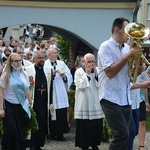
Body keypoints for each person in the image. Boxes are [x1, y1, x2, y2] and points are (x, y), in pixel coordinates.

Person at [98, 17, 150, 150]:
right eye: (127, 31)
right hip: (110, 97)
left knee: (130, 133)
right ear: (117, 30)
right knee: (121, 134)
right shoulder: (105, 47)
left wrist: (139, 67)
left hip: (125, 97)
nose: (129, 35)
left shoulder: (127, 47)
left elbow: (130, 76)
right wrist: (127, 57)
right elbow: (110, 72)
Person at [0, 53, 32, 150]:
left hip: (21, 105)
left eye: (19, 61)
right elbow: (1, 92)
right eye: (16, 61)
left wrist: (30, 103)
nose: (18, 63)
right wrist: (1, 108)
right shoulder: (6, 75)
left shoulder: (24, 74)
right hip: (9, 104)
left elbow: (27, 89)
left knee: (19, 129)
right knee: (11, 129)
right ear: (11, 62)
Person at [74, 53, 104, 150]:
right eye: (89, 62)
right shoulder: (79, 71)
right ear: (84, 62)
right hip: (84, 104)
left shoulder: (98, 70)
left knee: (95, 125)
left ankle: (94, 144)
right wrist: (87, 74)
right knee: (84, 126)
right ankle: (84, 145)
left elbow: (102, 85)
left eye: (93, 61)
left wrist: (96, 75)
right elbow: (81, 86)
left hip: (95, 103)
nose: (91, 64)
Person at [25, 51, 52, 150]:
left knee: (42, 123)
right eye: (39, 58)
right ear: (34, 59)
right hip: (33, 101)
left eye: (42, 58)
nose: (41, 60)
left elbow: (51, 86)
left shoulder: (48, 70)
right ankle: (32, 144)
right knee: (33, 122)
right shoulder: (28, 70)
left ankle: (39, 144)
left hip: (44, 101)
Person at [45, 47, 73, 141]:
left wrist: (64, 76)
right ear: (49, 55)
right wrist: (51, 75)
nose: (56, 54)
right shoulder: (45, 64)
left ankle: (60, 133)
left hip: (60, 92)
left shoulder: (61, 64)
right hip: (52, 93)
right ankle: (52, 133)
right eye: (54, 53)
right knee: (53, 114)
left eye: (56, 52)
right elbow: (44, 78)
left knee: (61, 114)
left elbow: (69, 76)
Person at [138, 66, 150, 150]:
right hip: (130, 99)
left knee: (142, 122)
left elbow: (146, 86)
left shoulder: (144, 72)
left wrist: (146, 101)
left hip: (141, 98)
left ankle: (141, 146)